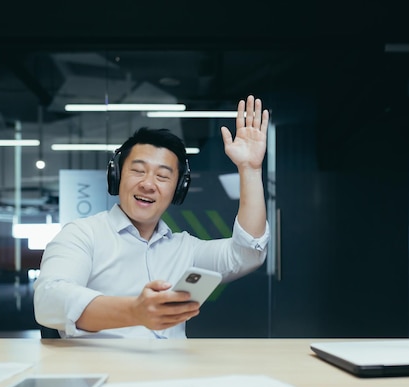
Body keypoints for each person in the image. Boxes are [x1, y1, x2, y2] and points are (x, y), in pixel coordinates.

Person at [33, 95, 270, 338]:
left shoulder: (185, 249)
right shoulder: (82, 235)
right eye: (137, 171)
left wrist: (250, 170)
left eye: (163, 176)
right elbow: (48, 299)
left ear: (178, 189)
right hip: (107, 372)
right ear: (117, 177)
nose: (148, 184)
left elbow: (248, 252)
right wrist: (135, 311)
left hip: (174, 373)